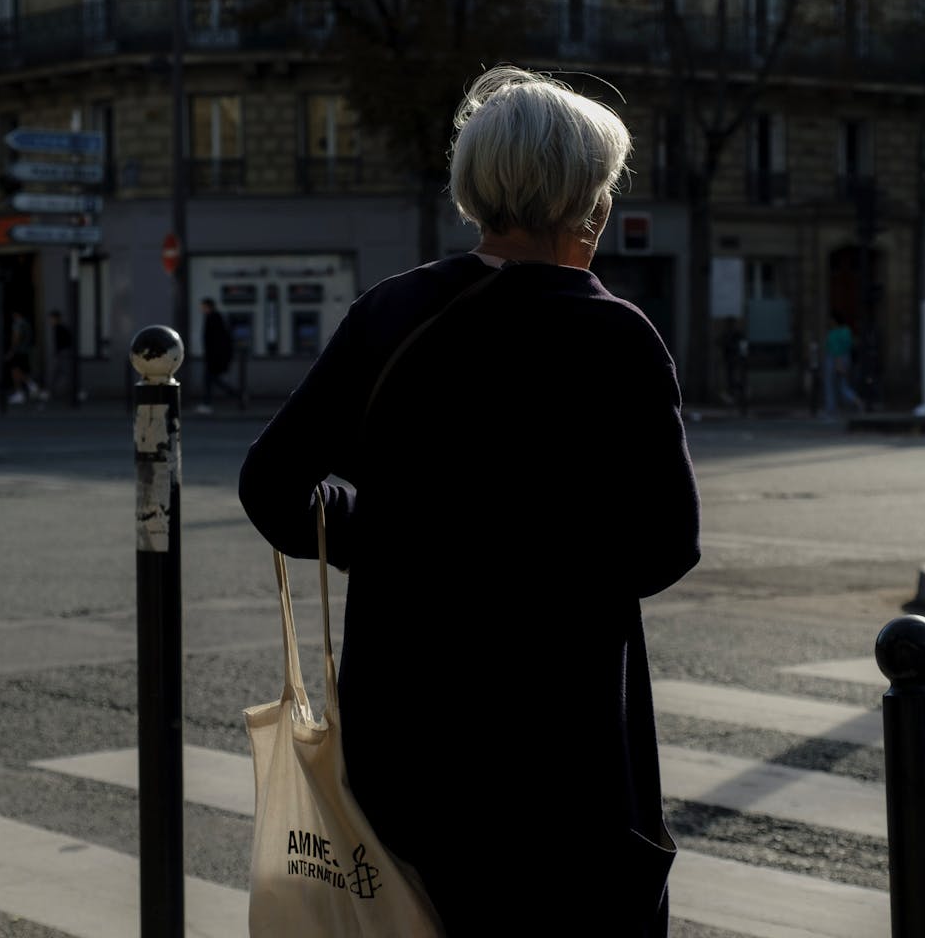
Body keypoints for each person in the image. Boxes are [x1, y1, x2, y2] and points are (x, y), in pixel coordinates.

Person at [239, 65, 699, 936]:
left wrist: (383, 536)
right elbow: (666, 544)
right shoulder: (616, 337)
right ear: (586, 203)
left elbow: (271, 486)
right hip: (566, 748)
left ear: (477, 190)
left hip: (408, 732)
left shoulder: (393, 314)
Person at [194, 298, 241, 414]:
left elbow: (215, 341)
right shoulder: (214, 317)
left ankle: (207, 404)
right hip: (213, 357)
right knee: (213, 380)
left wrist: (213, 357)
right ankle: (237, 396)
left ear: (208, 306)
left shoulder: (213, 318)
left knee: (209, 380)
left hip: (213, 357)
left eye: (202, 306)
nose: (201, 309)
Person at [822, 311, 863, 417]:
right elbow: (850, 345)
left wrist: (838, 362)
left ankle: (831, 409)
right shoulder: (847, 331)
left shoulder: (833, 332)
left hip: (834, 359)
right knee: (842, 385)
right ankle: (856, 400)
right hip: (846, 358)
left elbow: (835, 349)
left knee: (830, 385)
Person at [5, 308, 39, 405]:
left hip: (18, 351)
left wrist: (11, 351)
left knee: (15, 371)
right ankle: (29, 386)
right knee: (19, 370)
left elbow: (16, 337)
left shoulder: (18, 324)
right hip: (25, 350)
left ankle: (23, 390)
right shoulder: (26, 323)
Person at [46, 309, 75, 403]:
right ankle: (53, 392)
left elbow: (64, 342)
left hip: (62, 354)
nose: (50, 320)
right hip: (62, 353)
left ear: (56, 318)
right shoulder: (59, 328)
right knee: (59, 373)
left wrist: (58, 352)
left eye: (52, 318)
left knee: (58, 372)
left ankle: (53, 392)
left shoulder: (59, 328)